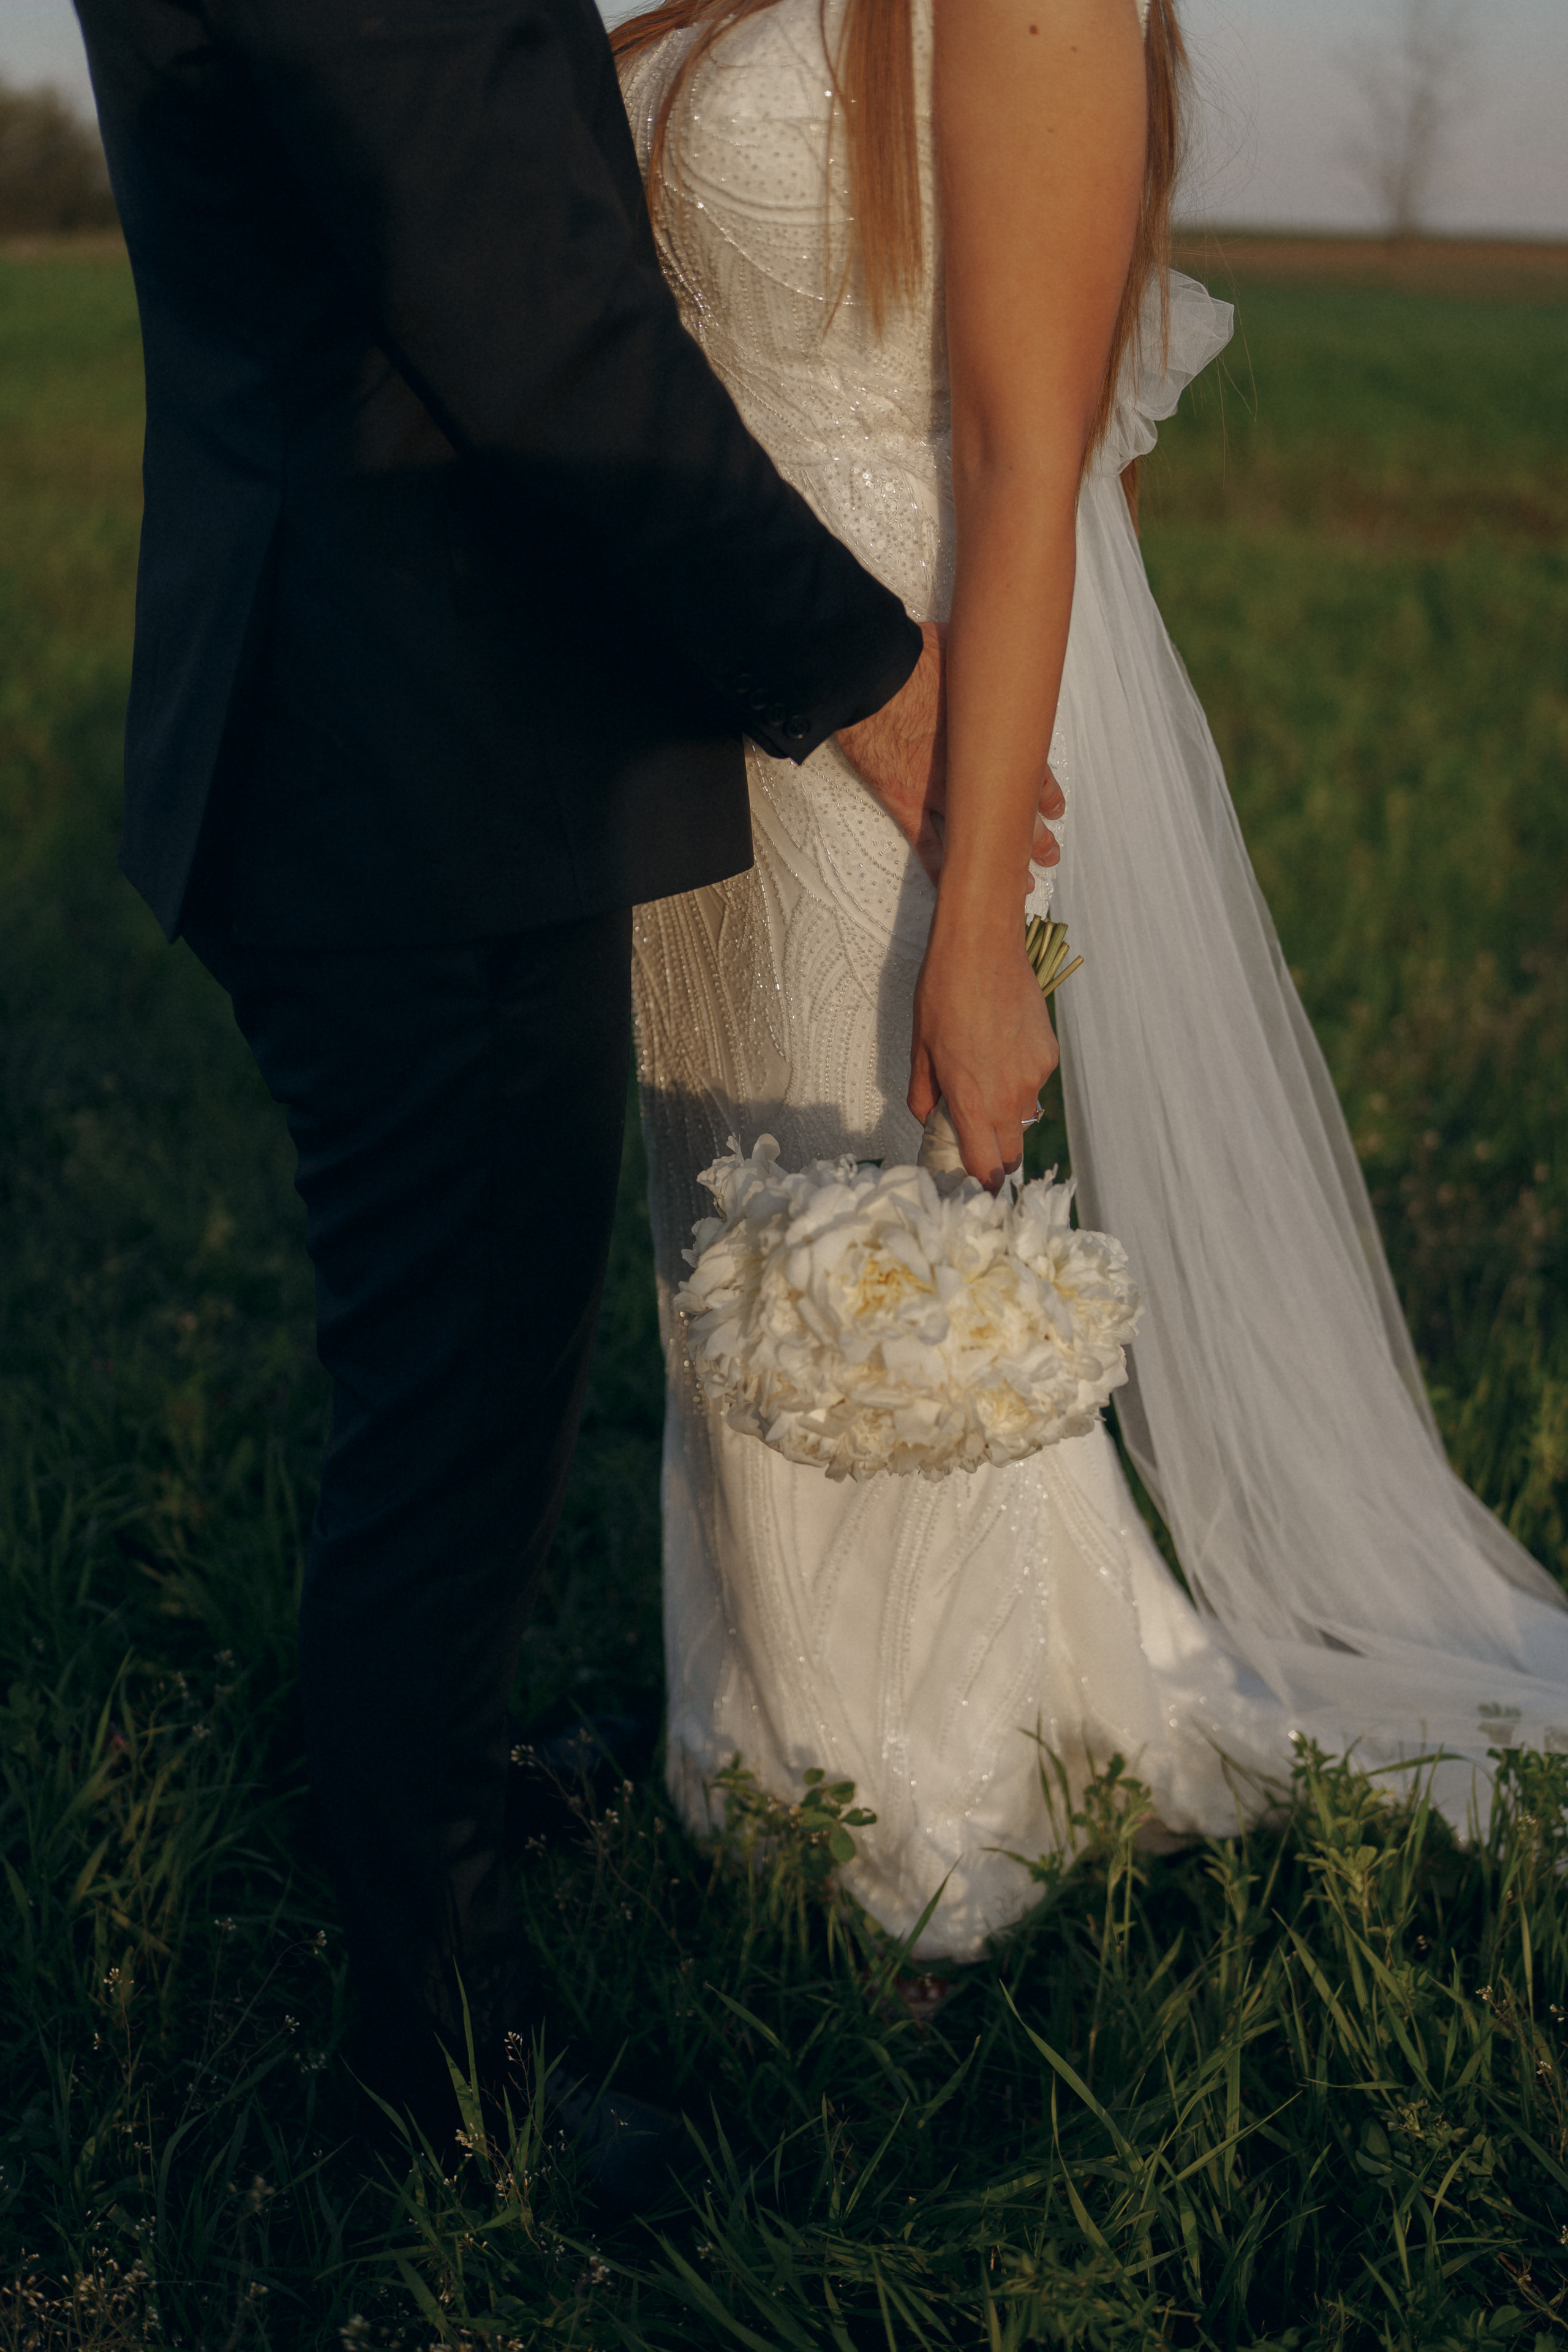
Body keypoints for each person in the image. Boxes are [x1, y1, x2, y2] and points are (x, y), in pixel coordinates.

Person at [70, 0, 1069, 2185]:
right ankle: (449, 2071)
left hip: (371, 721)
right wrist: (870, 675)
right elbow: (537, 324)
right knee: (453, 1410)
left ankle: (444, 1785)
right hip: (402, 761)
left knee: (456, 1367)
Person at [614, 0, 1568, 1964]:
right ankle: (764, 1728)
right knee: (725, 1230)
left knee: (876, 1241)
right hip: (707, 694)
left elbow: (1027, 444)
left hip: (906, 703)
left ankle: (952, 1778)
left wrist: (981, 923)